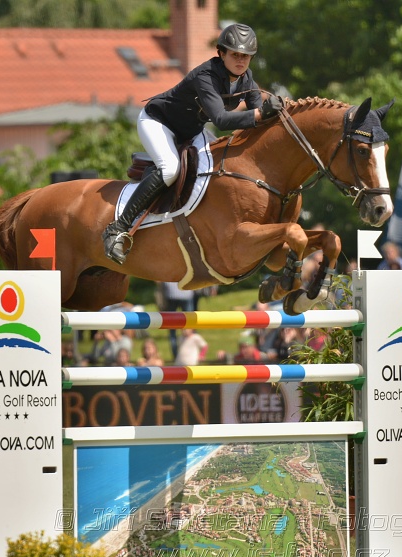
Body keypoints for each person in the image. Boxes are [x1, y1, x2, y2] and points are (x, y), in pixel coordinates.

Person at [102, 23, 281, 264]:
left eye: (246, 56)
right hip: (158, 122)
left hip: (191, 130)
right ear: (222, 53)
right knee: (170, 169)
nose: (241, 60)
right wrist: (260, 114)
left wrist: (276, 113)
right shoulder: (205, 76)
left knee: (219, 164)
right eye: (235, 54)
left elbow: (258, 116)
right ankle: (117, 229)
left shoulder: (246, 78)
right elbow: (221, 119)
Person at [158, 281, 195, 359]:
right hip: (186, 293)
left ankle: (176, 356)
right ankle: (189, 356)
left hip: (172, 294)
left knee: (172, 330)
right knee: (189, 327)